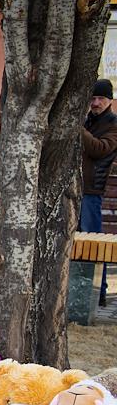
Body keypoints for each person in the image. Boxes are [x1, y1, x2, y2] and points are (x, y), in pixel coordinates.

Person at [82, 79, 117, 304]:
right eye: (93, 99)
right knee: (78, 243)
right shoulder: (89, 121)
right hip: (77, 190)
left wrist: (78, 129)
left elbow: (100, 149)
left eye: (100, 99)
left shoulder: (113, 124)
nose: (96, 103)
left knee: (93, 243)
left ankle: (98, 293)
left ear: (110, 101)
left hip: (92, 192)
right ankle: (81, 290)